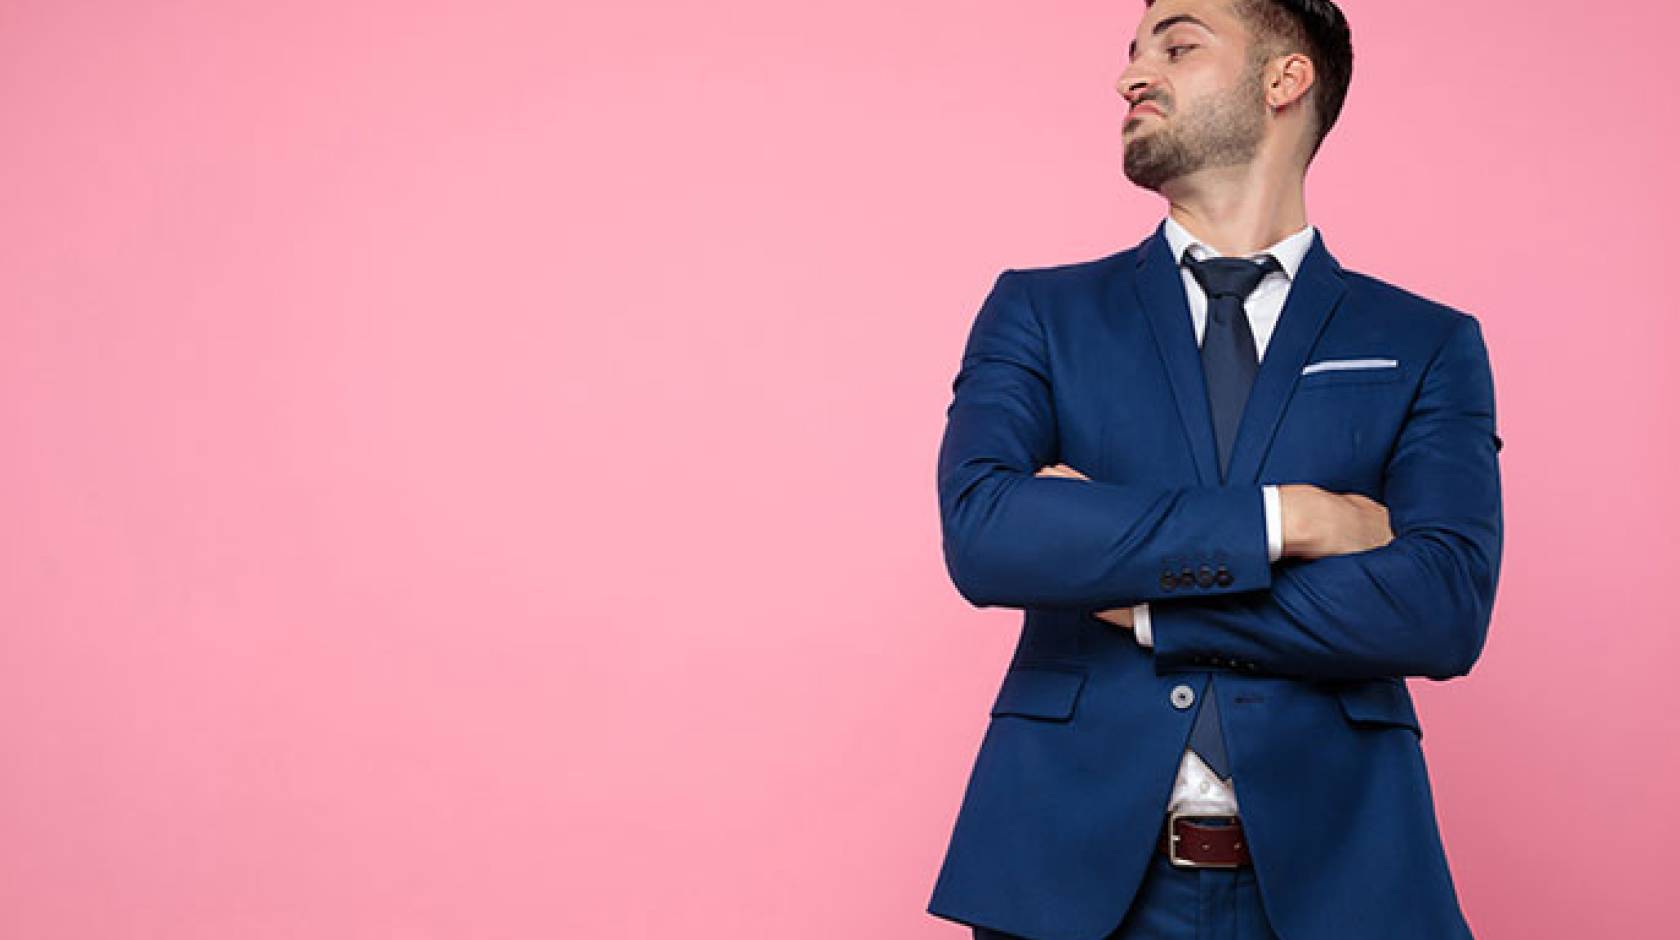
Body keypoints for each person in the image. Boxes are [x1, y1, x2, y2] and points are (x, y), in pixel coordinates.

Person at [924, 1, 1504, 938]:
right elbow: (988, 532)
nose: (1131, 76)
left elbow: (1441, 608)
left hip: (1342, 885)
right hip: (1065, 882)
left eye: (1179, 44)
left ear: (1285, 79)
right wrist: (1287, 519)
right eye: (1132, 51)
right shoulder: (1040, 312)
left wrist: (1147, 604)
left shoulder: (1426, 341)